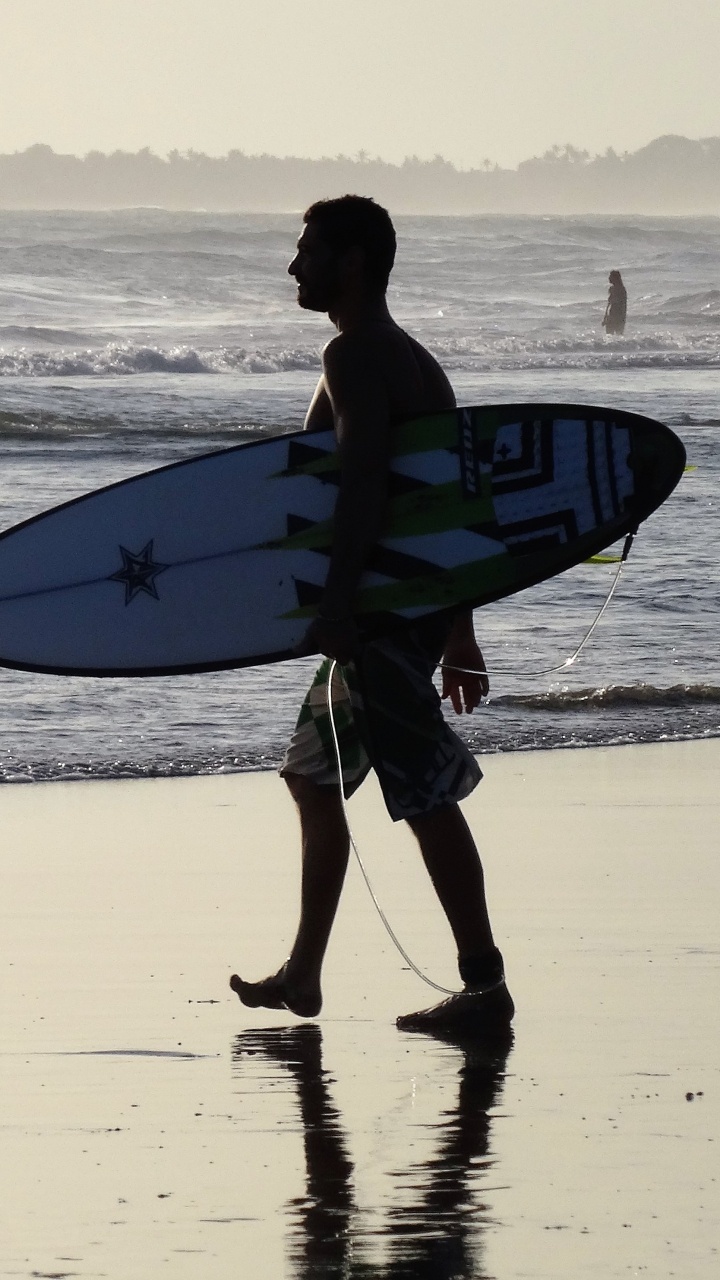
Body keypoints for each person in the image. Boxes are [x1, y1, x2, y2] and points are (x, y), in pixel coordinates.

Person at [230, 196, 513, 1032]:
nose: (295, 265)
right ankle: (304, 975)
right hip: (401, 609)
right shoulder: (409, 360)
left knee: (424, 795)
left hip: (381, 615)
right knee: (311, 777)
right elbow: (448, 509)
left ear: (350, 262)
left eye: (308, 249)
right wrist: (460, 630)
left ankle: (485, 987)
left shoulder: (356, 356)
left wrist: (343, 608)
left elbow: (359, 491)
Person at [602, 269, 627, 336]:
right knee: (609, 335)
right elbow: (609, 305)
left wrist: (622, 318)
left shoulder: (621, 289)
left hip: (618, 315)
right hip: (612, 315)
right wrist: (605, 317)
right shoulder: (612, 289)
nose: (609, 278)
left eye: (611, 276)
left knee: (618, 335)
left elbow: (622, 304)